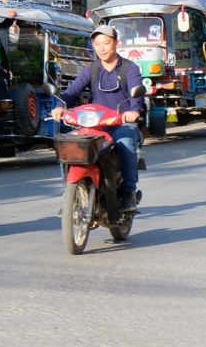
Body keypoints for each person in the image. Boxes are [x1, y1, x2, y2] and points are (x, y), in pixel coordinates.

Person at [52, 24, 145, 210]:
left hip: (121, 123)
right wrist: (60, 106)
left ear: (116, 43)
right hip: (96, 125)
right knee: (69, 145)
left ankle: (128, 192)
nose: (101, 48)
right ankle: (70, 193)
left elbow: (138, 95)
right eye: (97, 44)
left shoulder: (130, 68)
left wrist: (133, 111)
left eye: (106, 43)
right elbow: (72, 91)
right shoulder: (92, 69)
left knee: (125, 143)